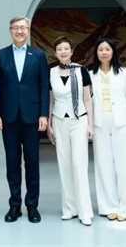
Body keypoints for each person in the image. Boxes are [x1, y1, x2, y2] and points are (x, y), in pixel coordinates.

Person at [0, 16, 49, 223]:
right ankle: (14, 205)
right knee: (12, 162)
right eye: (15, 28)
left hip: (32, 117)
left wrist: (44, 114)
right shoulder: (0, 55)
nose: (19, 31)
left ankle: (32, 205)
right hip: (8, 117)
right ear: (10, 31)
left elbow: (44, 86)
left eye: (23, 28)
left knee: (32, 162)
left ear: (28, 30)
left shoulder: (38, 55)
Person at [46, 36, 94, 226]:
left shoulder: (81, 70)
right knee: (64, 163)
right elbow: (51, 100)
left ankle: (84, 211)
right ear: (55, 53)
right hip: (59, 120)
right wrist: (49, 124)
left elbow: (88, 99)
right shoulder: (51, 72)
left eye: (66, 48)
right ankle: (69, 208)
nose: (63, 52)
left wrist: (90, 124)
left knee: (79, 164)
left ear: (72, 51)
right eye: (60, 49)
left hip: (79, 120)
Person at [89, 37, 126, 221]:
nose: (104, 52)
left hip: (121, 122)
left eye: (107, 49)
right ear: (96, 53)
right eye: (101, 49)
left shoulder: (124, 73)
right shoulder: (90, 74)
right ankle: (109, 206)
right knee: (104, 165)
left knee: (124, 165)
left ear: (113, 52)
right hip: (99, 123)